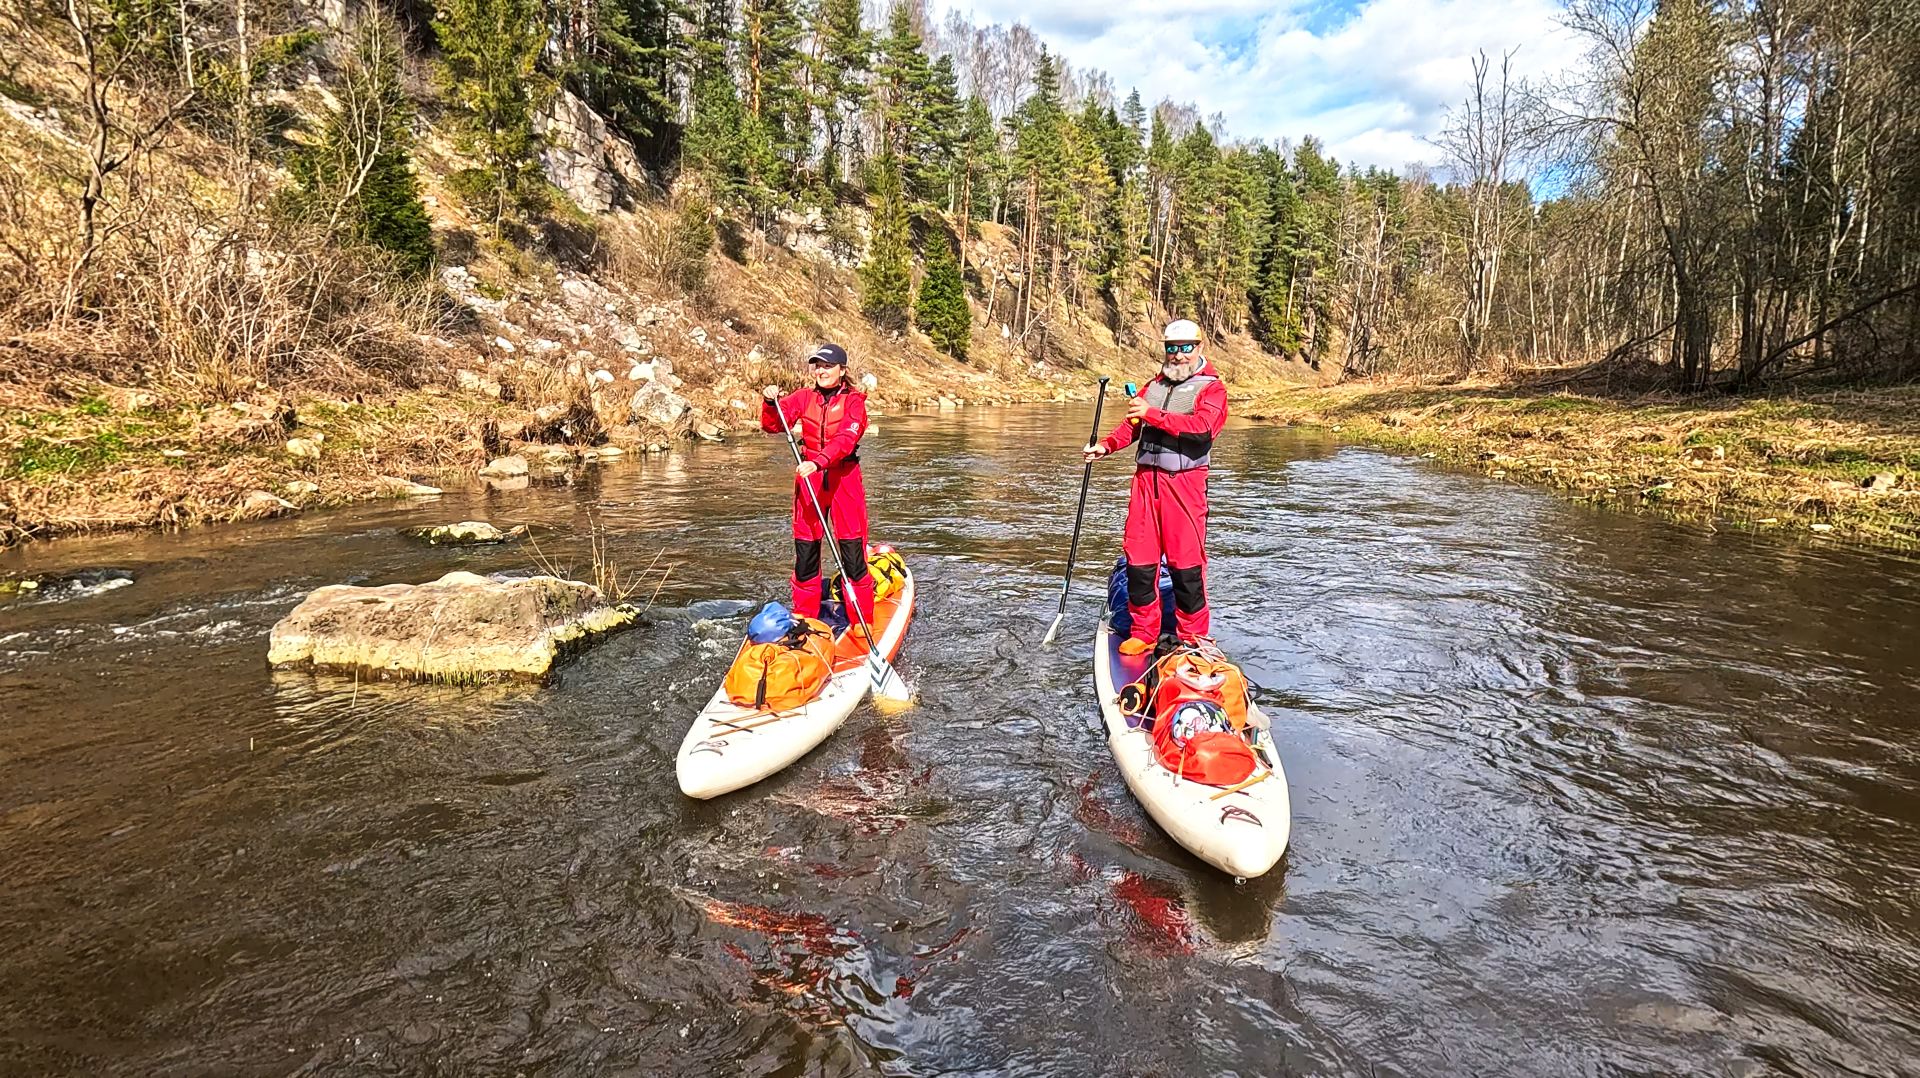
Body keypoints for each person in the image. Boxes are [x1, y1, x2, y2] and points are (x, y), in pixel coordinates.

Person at [1083, 319, 1227, 656]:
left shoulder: (1212, 390)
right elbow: (1132, 426)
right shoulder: (1153, 386)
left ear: (1199, 347)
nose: (1177, 355)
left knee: (1186, 564)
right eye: (1171, 348)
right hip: (1146, 483)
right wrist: (1105, 446)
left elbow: (1201, 429)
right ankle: (1144, 631)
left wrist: (1153, 414)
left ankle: (1194, 638)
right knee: (1139, 560)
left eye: (1185, 348)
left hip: (1185, 486)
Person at [762, 343, 875, 630]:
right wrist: (770, 402)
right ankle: (805, 617)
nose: (821, 371)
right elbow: (774, 425)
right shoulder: (804, 397)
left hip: (843, 479)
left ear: (842, 370)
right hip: (810, 478)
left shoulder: (854, 403)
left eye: (827, 366)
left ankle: (862, 622)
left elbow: (846, 440)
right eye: (818, 366)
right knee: (806, 553)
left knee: (852, 555)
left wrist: (820, 461)